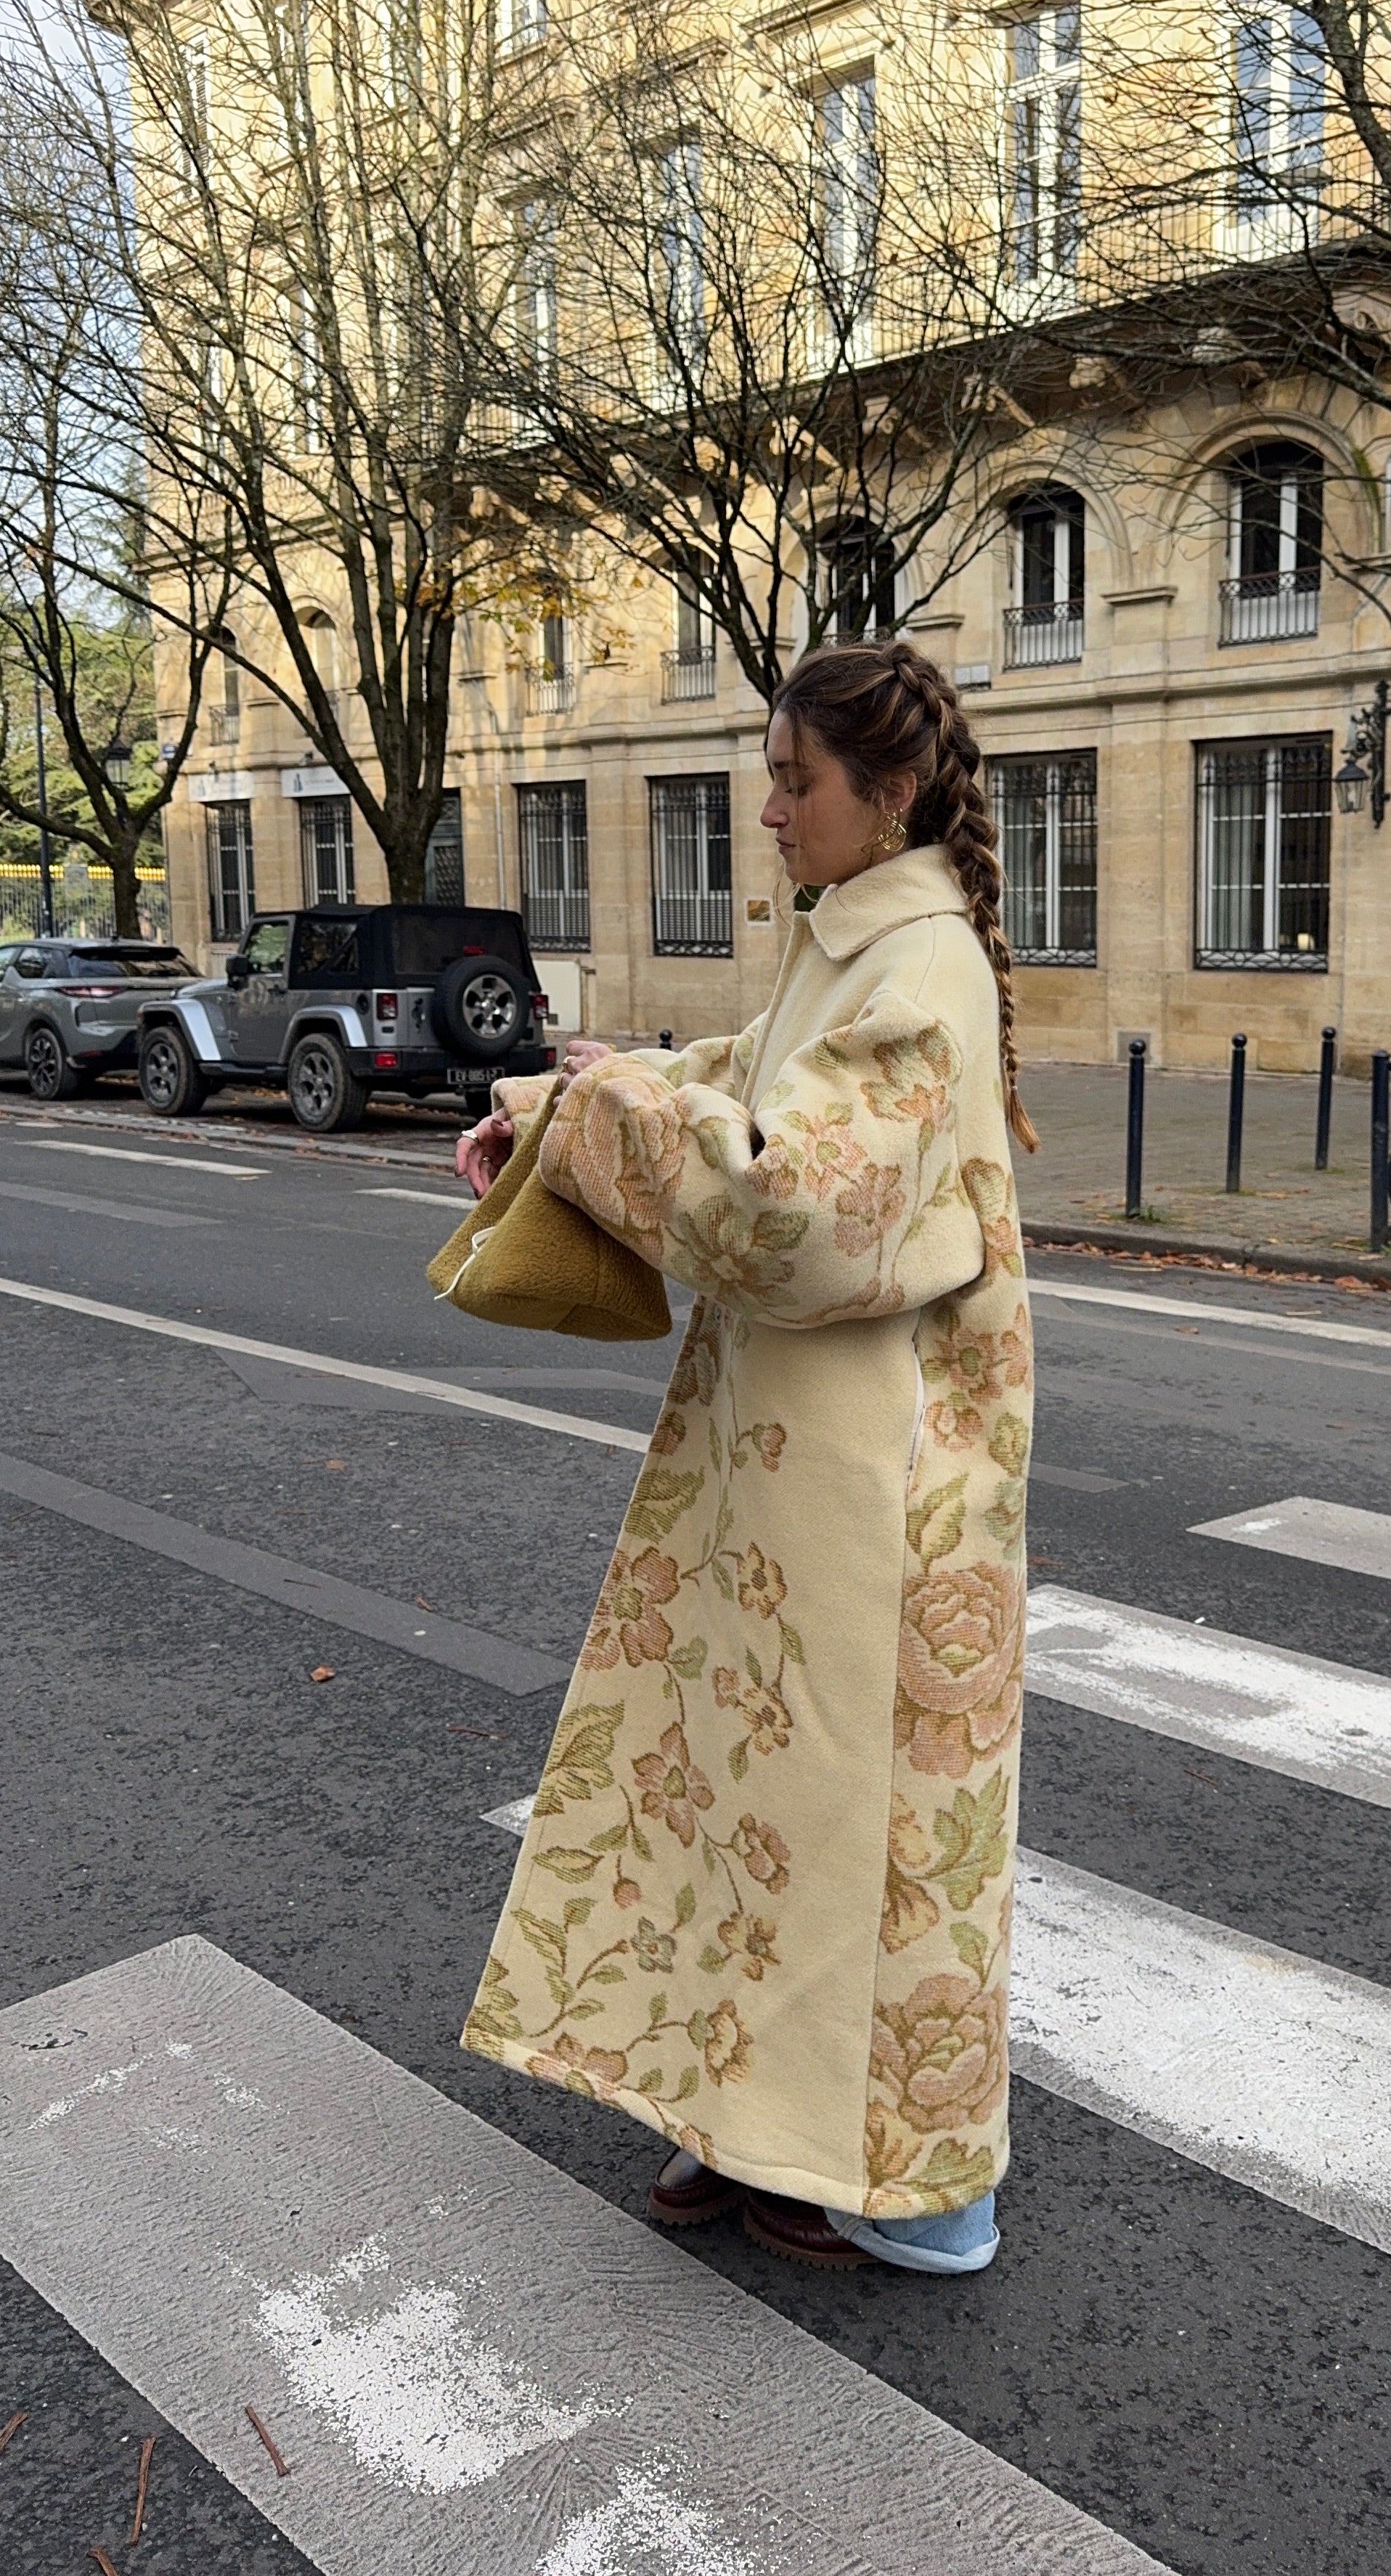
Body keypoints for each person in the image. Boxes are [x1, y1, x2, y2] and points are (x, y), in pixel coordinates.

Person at [455, 639, 1037, 2275]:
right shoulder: (852, 942)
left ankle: (901, 2180)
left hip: (878, 1470)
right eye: (771, 779)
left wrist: (595, 1123)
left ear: (890, 794)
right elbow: (736, 1079)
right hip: (793, 1452)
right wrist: (558, 1099)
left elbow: (800, 1213)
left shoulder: (919, 962)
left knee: (862, 1815)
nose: (769, 812)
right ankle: (749, 2117)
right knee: (758, 1790)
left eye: (796, 782)